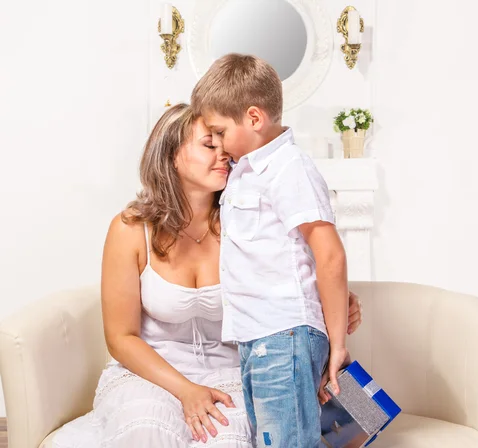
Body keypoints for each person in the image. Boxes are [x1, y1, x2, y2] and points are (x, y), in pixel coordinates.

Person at [52, 104, 363, 448]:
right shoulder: (130, 229)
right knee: (147, 431)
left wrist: (337, 304)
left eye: (224, 145)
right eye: (208, 145)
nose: (224, 155)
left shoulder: (246, 222)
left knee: (225, 439)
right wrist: (186, 390)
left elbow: (298, 281)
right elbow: (121, 337)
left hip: (234, 373)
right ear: (171, 155)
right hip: (149, 374)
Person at [192, 54, 350, 448]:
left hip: (283, 335)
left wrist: (338, 343)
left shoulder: (289, 167)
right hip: (257, 338)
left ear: (254, 118)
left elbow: (329, 255)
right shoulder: (245, 173)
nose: (217, 143)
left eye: (220, 131)